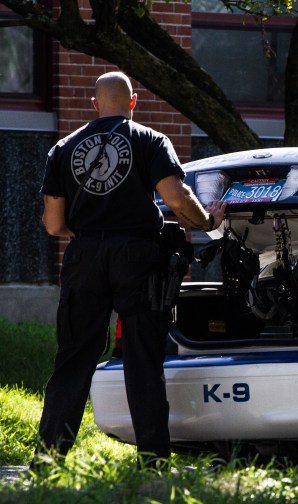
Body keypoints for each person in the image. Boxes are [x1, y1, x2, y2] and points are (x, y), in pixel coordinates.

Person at [37, 71, 226, 466]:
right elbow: (175, 196)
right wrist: (207, 221)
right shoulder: (150, 140)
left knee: (74, 359)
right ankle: (153, 463)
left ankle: (49, 461)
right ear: (133, 101)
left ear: (94, 104)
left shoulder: (63, 148)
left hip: (84, 256)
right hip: (139, 257)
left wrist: (91, 234)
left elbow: (54, 225)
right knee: (142, 360)